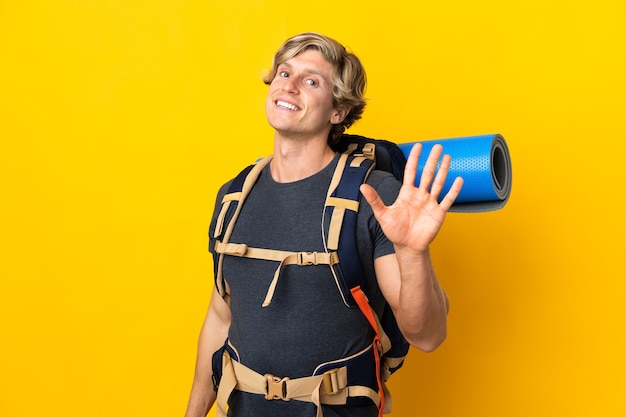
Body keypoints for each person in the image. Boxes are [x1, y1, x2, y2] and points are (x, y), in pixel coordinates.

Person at [184, 32, 463, 417]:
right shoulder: (234, 196)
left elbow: (428, 336)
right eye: (284, 73)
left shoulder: (374, 195)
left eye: (311, 80)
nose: (289, 86)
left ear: (338, 111)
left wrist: (412, 252)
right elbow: (220, 317)